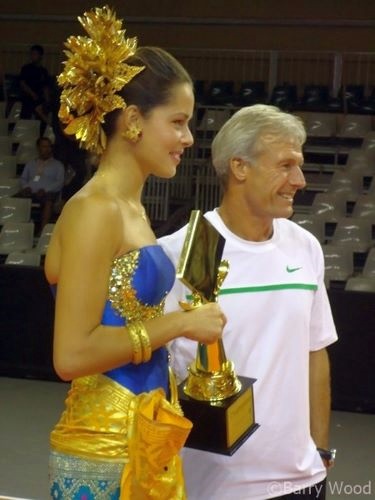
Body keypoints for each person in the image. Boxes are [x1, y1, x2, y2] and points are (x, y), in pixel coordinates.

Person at [44, 6, 225, 499]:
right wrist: (181, 324)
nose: (188, 138)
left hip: (149, 433)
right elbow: (72, 354)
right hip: (105, 448)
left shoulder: (131, 208)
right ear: (132, 121)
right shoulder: (95, 209)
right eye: (179, 122)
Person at [159, 104, 338, 500]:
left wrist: (320, 449)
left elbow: (315, 352)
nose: (300, 180)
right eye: (286, 165)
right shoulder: (178, 252)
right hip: (209, 487)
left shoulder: (304, 246)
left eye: (300, 165)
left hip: (302, 481)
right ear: (239, 167)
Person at [18, 136, 65, 232]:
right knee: (15, 199)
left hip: (48, 193)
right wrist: (26, 187)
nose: (47, 149)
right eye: (44, 146)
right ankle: (17, 228)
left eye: (48, 147)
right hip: (30, 191)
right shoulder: (30, 164)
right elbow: (23, 178)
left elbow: (59, 182)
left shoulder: (58, 165)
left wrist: (45, 190)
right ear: (38, 148)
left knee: (48, 201)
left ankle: (42, 231)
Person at [19, 44, 51, 126]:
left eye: (35, 54)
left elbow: (45, 87)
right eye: (31, 54)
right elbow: (22, 83)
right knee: (25, 119)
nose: (32, 56)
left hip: (39, 100)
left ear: (40, 56)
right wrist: (32, 94)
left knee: (41, 121)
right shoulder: (26, 68)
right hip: (28, 99)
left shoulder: (43, 71)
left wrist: (47, 101)